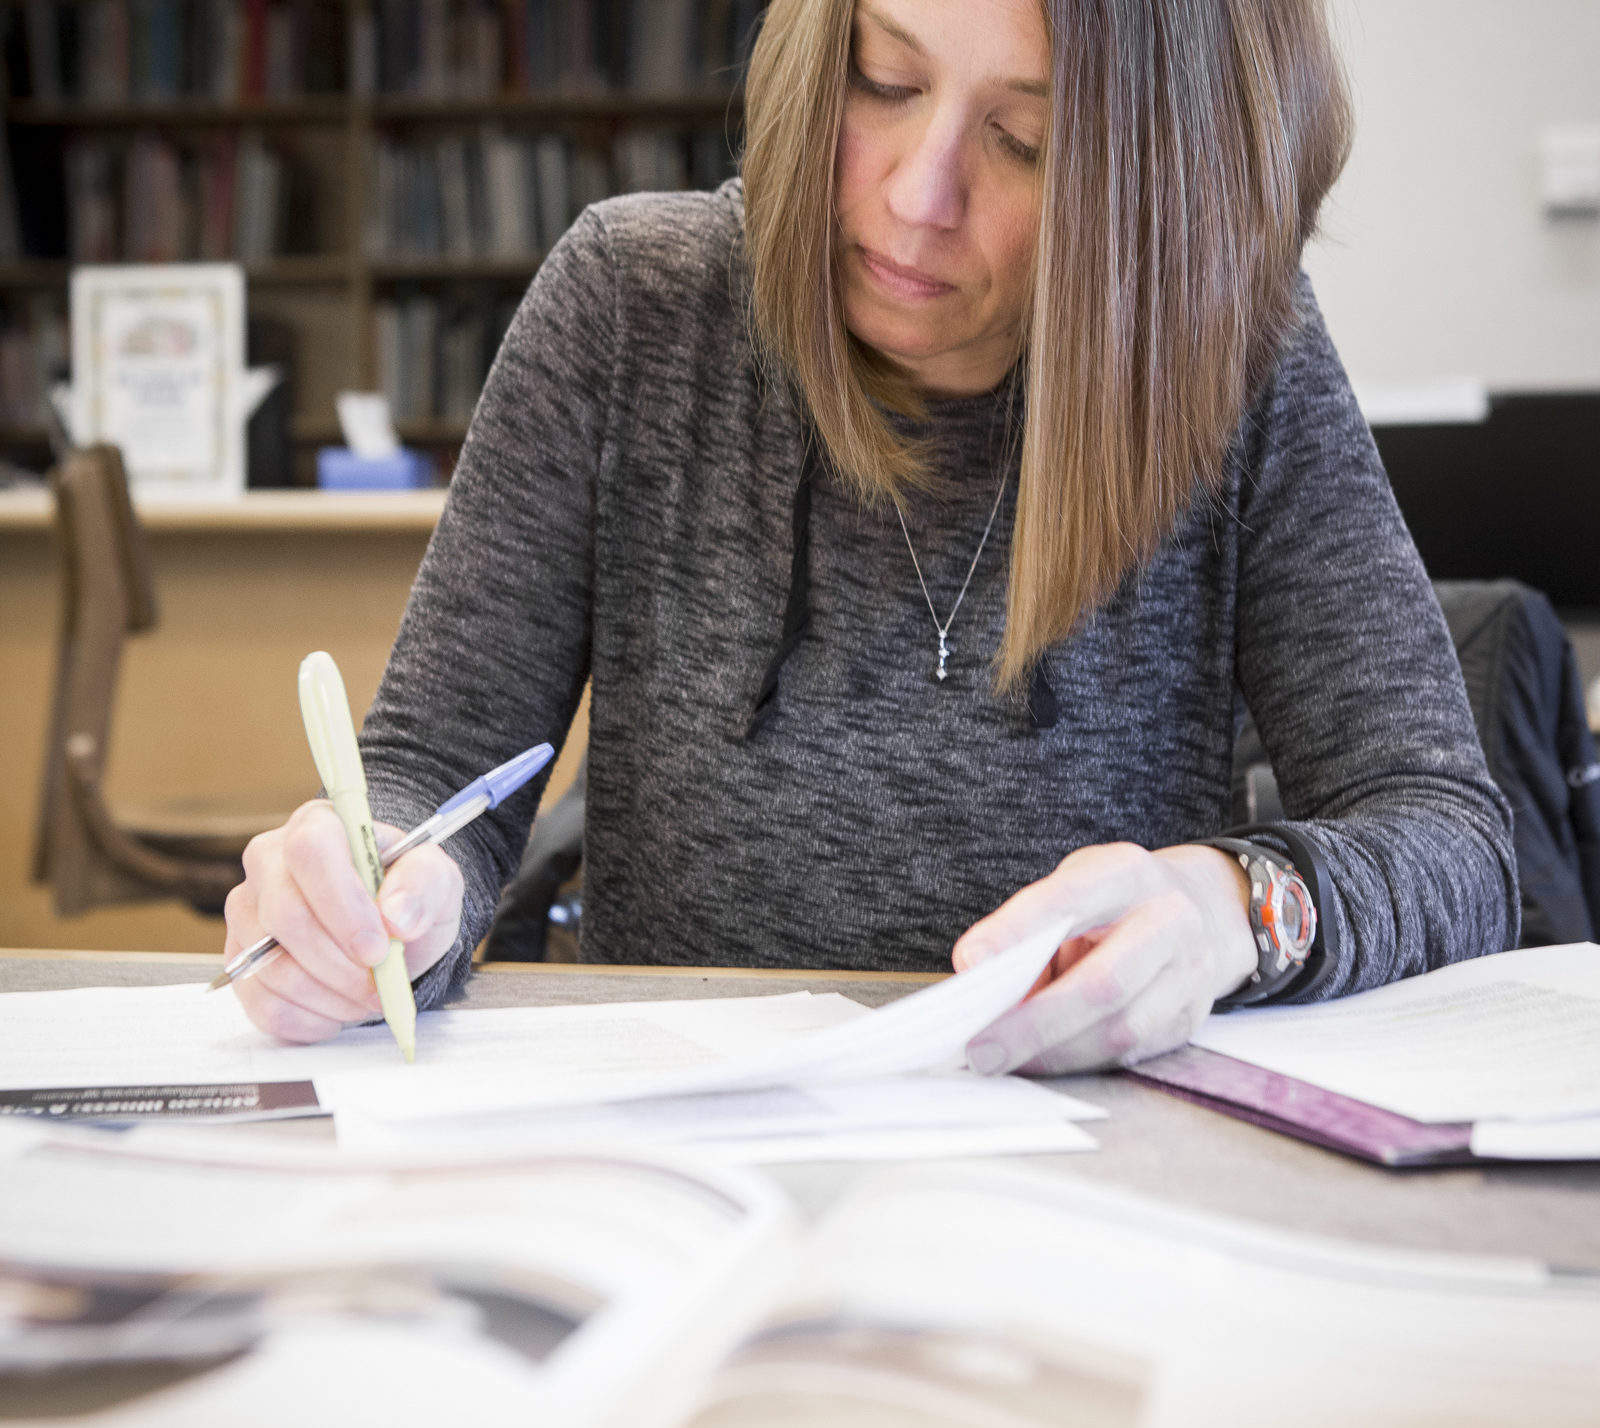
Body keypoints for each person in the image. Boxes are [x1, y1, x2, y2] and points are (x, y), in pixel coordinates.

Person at [225, 0, 1517, 1074]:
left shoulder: (1239, 358)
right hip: (678, 1152)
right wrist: (375, 892)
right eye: (881, 79)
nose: (917, 194)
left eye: (1025, 141)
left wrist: (1237, 908)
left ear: (1151, 197)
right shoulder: (631, 308)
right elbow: (430, 779)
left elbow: (1450, 837)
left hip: (1092, 1191)